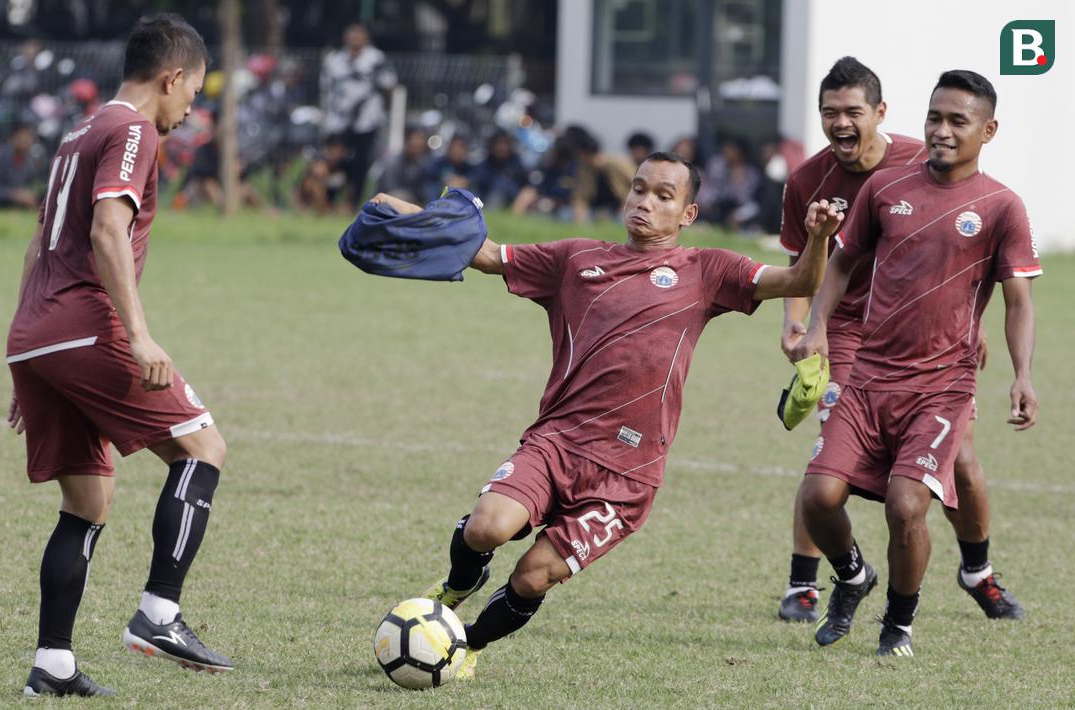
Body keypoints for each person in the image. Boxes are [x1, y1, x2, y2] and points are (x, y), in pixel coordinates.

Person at [369, 151, 844, 680]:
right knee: (486, 528)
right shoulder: (574, 259)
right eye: (639, 189)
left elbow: (801, 279)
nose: (645, 202)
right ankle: (457, 587)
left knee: (532, 576)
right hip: (556, 442)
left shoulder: (707, 270)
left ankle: (464, 648)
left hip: (627, 474)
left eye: (664, 196)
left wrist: (819, 236)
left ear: (686, 214)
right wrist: (401, 210)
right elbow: (482, 253)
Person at [6, 14, 232, 697]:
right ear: (171, 77)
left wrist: (27, 360)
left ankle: (53, 664)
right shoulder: (133, 130)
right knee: (203, 449)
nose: (192, 106)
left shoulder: (81, 128)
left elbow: (38, 241)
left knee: (88, 500)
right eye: (192, 90)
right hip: (84, 322)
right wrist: (137, 334)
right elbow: (108, 227)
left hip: (37, 332)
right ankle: (159, 613)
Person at [789, 69, 1040, 657]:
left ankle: (898, 623)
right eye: (935, 118)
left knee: (908, 505)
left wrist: (1023, 375)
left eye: (958, 121)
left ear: (988, 130)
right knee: (817, 497)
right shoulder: (885, 190)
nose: (942, 131)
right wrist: (818, 325)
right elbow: (842, 265)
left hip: (941, 386)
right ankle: (852, 577)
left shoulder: (1002, 206)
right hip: (870, 375)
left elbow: (1019, 300)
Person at [320, 22, 397, 208]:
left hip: (366, 122)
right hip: (338, 122)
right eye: (351, 32)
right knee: (335, 163)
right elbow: (326, 89)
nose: (354, 37)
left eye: (359, 33)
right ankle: (327, 203)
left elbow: (389, 87)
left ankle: (353, 204)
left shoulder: (377, 60)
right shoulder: (334, 59)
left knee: (360, 164)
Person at [0, 123, 40, 209]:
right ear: (13, 137)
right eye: (22, 135)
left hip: (17, 209)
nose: (25, 140)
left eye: (29, 136)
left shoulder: (29, 163)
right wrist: (14, 195)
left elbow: (30, 188)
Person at [471, 131, 528, 209]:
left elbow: (526, 186)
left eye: (504, 144)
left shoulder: (516, 163)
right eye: (498, 144)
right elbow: (476, 181)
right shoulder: (485, 164)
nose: (501, 147)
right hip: (485, 199)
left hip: (510, 202)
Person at [376, 127, 431, 204]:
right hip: (389, 203)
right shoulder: (392, 161)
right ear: (407, 139)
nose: (419, 142)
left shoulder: (422, 163)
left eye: (422, 139)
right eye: (416, 138)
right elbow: (389, 190)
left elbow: (423, 192)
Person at [424, 134, 476, 200]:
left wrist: (466, 183)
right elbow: (429, 188)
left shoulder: (470, 169)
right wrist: (446, 185)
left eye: (460, 147)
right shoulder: (437, 166)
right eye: (454, 147)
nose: (456, 150)